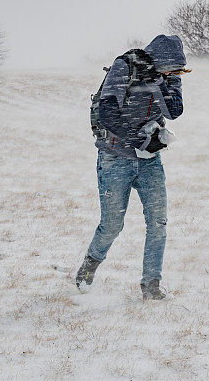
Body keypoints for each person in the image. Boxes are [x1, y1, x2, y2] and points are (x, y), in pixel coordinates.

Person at [75, 34, 186, 300]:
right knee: (113, 224)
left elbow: (174, 112)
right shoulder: (125, 66)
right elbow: (108, 112)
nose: (176, 73)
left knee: (157, 223)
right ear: (160, 60)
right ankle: (89, 267)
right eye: (173, 67)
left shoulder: (167, 76)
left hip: (150, 162)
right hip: (115, 158)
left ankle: (151, 286)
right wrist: (139, 141)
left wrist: (168, 80)